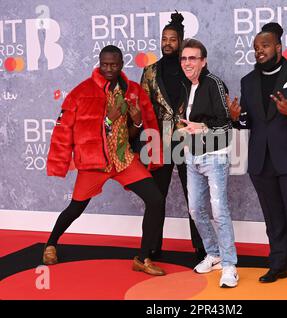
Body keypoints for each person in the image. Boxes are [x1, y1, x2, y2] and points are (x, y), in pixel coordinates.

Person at [43, 45, 167, 276]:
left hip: (123, 159)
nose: (109, 69)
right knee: (76, 207)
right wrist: (107, 120)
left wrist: (138, 122)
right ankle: (51, 243)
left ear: (121, 64)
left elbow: (141, 128)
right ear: (99, 63)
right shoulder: (82, 92)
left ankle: (142, 258)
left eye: (114, 64)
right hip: (95, 163)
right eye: (104, 64)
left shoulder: (133, 92)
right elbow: (64, 130)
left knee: (156, 199)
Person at [228, 22, 287, 287]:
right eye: (256, 47)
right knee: (273, 218)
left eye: (265, 46)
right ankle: (278, 265)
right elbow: (250, 121)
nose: (259, 51)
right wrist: (238, 118)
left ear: (279, 48)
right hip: (262, 162)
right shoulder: (248, 81)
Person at [140, 11, 205, 260]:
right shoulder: (149, 72)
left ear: (180, 41)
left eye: (172, 39)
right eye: (164, 39)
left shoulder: (191, 68)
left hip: (188, 139)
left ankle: (201, 246)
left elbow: (202, 101)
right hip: (160, 141)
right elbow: (144, 108)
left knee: (194, 194)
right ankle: (152, 246)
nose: (167, 43)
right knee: (157, 196)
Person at [178, 38, 238, 288]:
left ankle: (229, 265)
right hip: (192, 155)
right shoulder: (185, 85)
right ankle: (212, 253)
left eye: (193, 58)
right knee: (195, 209)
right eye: (184, 58)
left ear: (204, 61)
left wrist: (202, 126)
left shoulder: (214, 84)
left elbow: (227, 124)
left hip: (214, 155)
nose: (188, 63)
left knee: (219, 211)